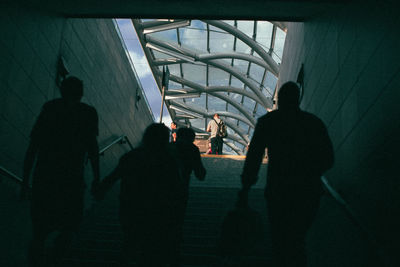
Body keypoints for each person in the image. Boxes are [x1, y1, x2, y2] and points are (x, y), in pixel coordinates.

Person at [239, 81, 334, 267]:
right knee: (298, 238)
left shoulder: (268, 122)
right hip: (308, 192)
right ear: (297, 99)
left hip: (278, 191)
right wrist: (311, 174)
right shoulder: (312, 122)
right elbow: (329, 158)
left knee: (280, 239)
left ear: (279, 100)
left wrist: (245, 187)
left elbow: (254, 157)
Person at [21, 76, 100, 266]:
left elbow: (34, 146)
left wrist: (25, 181)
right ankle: (54, 257)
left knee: (39, 231)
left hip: (44, 178)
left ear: (62, 90)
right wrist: (97, 178)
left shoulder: (50, 109)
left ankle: (38, 259)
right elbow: (93, 148)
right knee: (71, 226)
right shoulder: (87, 113)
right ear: (81, 93)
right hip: (71, 180)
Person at [93, 123, 184, 267]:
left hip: (130, 207)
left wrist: (101, 189)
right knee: (150, 247)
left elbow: (114, 176)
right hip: (157, 211)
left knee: (130, 241)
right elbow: (176, 188)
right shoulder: (168, 161)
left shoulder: (132, 156)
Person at [172, 127, 206, 266]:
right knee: (177, 220)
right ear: (191, 138)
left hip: (158, 191)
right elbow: (200, 174)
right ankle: (175, 252)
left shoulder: (167, 147)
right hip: (180, 190)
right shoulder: (192, 149)